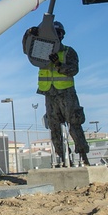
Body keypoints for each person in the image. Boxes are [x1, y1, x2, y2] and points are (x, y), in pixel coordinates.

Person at [32, 21, 91, 167]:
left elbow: (73, 70)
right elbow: (28, 50)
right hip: (50, 94)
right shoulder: (42, 51)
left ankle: (83, 156)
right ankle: (63, 158)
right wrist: (30, 34)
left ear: (62, 35)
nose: (56, 36)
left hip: (66, 93)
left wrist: (59, 64)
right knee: (55, 128)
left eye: (59, 33)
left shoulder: (68, 51)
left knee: (75, 124)